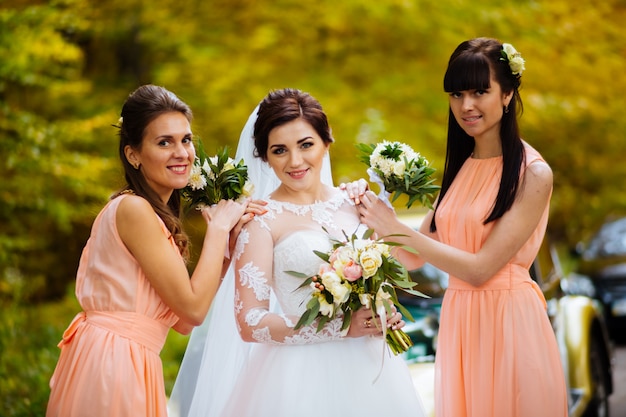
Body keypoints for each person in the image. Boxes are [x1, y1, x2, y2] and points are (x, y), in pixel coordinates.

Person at [168, 88, 426, 417]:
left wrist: (382, 307)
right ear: (264, 157)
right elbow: (250, 323)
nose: (295, 161)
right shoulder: (261, 222)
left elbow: (409, 263)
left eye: (306, 144)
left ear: (326, 142)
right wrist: (342, 327)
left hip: (374, 372)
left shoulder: (357, 204)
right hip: (298, 380)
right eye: (280, 150)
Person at [351, 38, 568, 417]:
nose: (465, 106)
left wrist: (395, 229)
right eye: (456, 94)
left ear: (507, 94)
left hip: (509, 321)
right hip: (461, 321)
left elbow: (481, 268)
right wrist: (365, 212)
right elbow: (412, 257)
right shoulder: (460, 169)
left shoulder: (533, 173)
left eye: (479, 92)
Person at [46, 84, 264, 417]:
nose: (182, 153)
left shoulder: (153, 216)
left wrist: (224, 251)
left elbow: (182, 322)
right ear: (133, 154)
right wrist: (218, 228)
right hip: (112, 362)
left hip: (133, 358)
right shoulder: (134, 210)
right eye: (165, 142)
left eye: (186, 140)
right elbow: (192, 311)